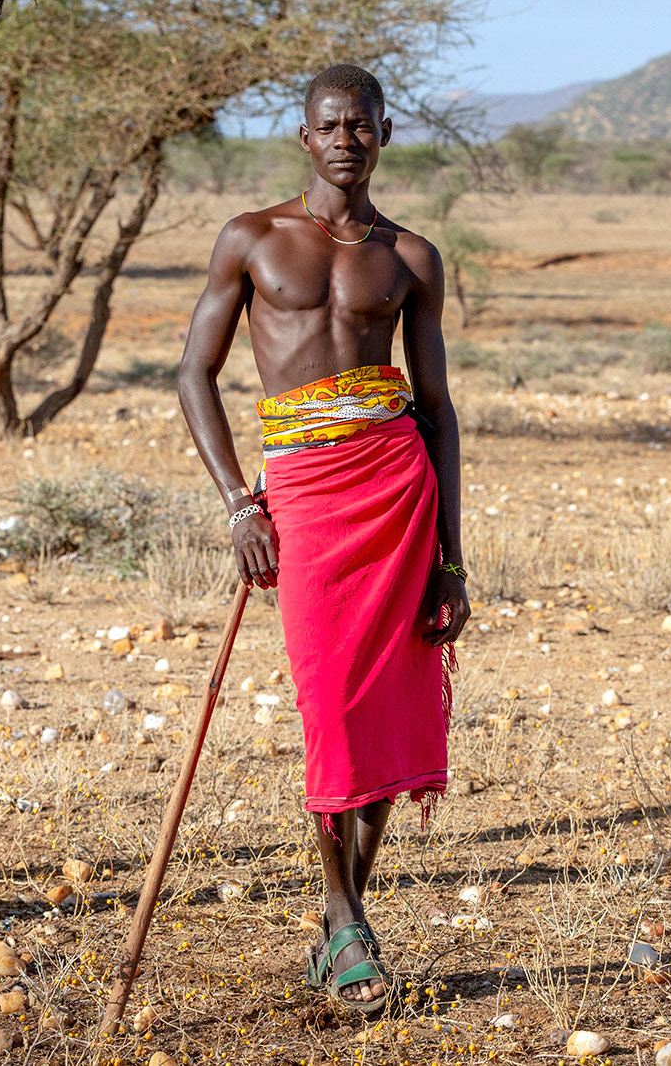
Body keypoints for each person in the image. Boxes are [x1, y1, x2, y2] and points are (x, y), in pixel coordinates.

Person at [177, 63, 468, 1015]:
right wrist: (236, 504)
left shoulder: (412, 258)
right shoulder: (252, 238)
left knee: (385, 707)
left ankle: (345, 919)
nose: (347, 138)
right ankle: (344, 916)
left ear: (385, 132)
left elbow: (438, 411)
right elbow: (194, 375)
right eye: (330, 125)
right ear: (306, 137)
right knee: (332, 705)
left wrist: (452, 558)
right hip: (301, 492)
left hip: (396, 491)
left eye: (362, 124)